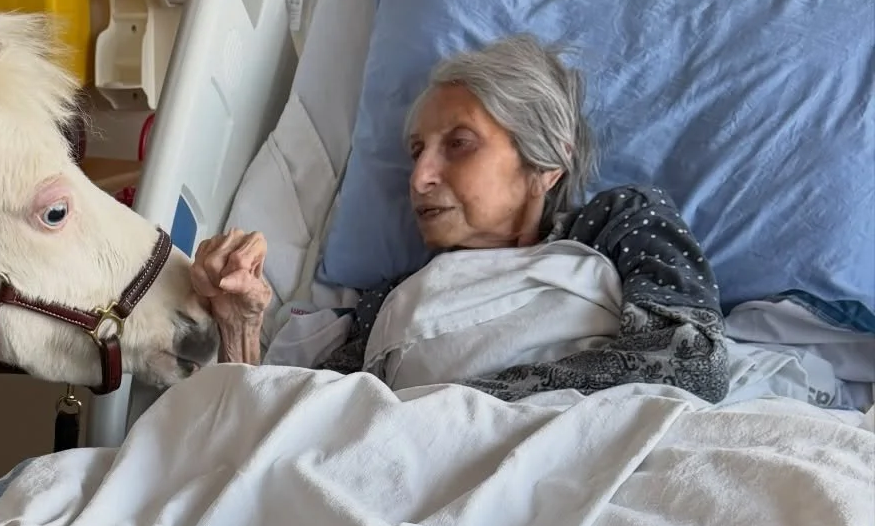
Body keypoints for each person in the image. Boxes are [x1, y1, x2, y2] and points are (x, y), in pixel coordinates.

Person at [192, 34, 730, 405]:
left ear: (545, 163)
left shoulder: (619, 223)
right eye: (416, 151)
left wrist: (450, 407)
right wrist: (240, 326)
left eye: (458, 145)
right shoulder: (396, 299)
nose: (420, 176)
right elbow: (298, 428)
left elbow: (690, 363)